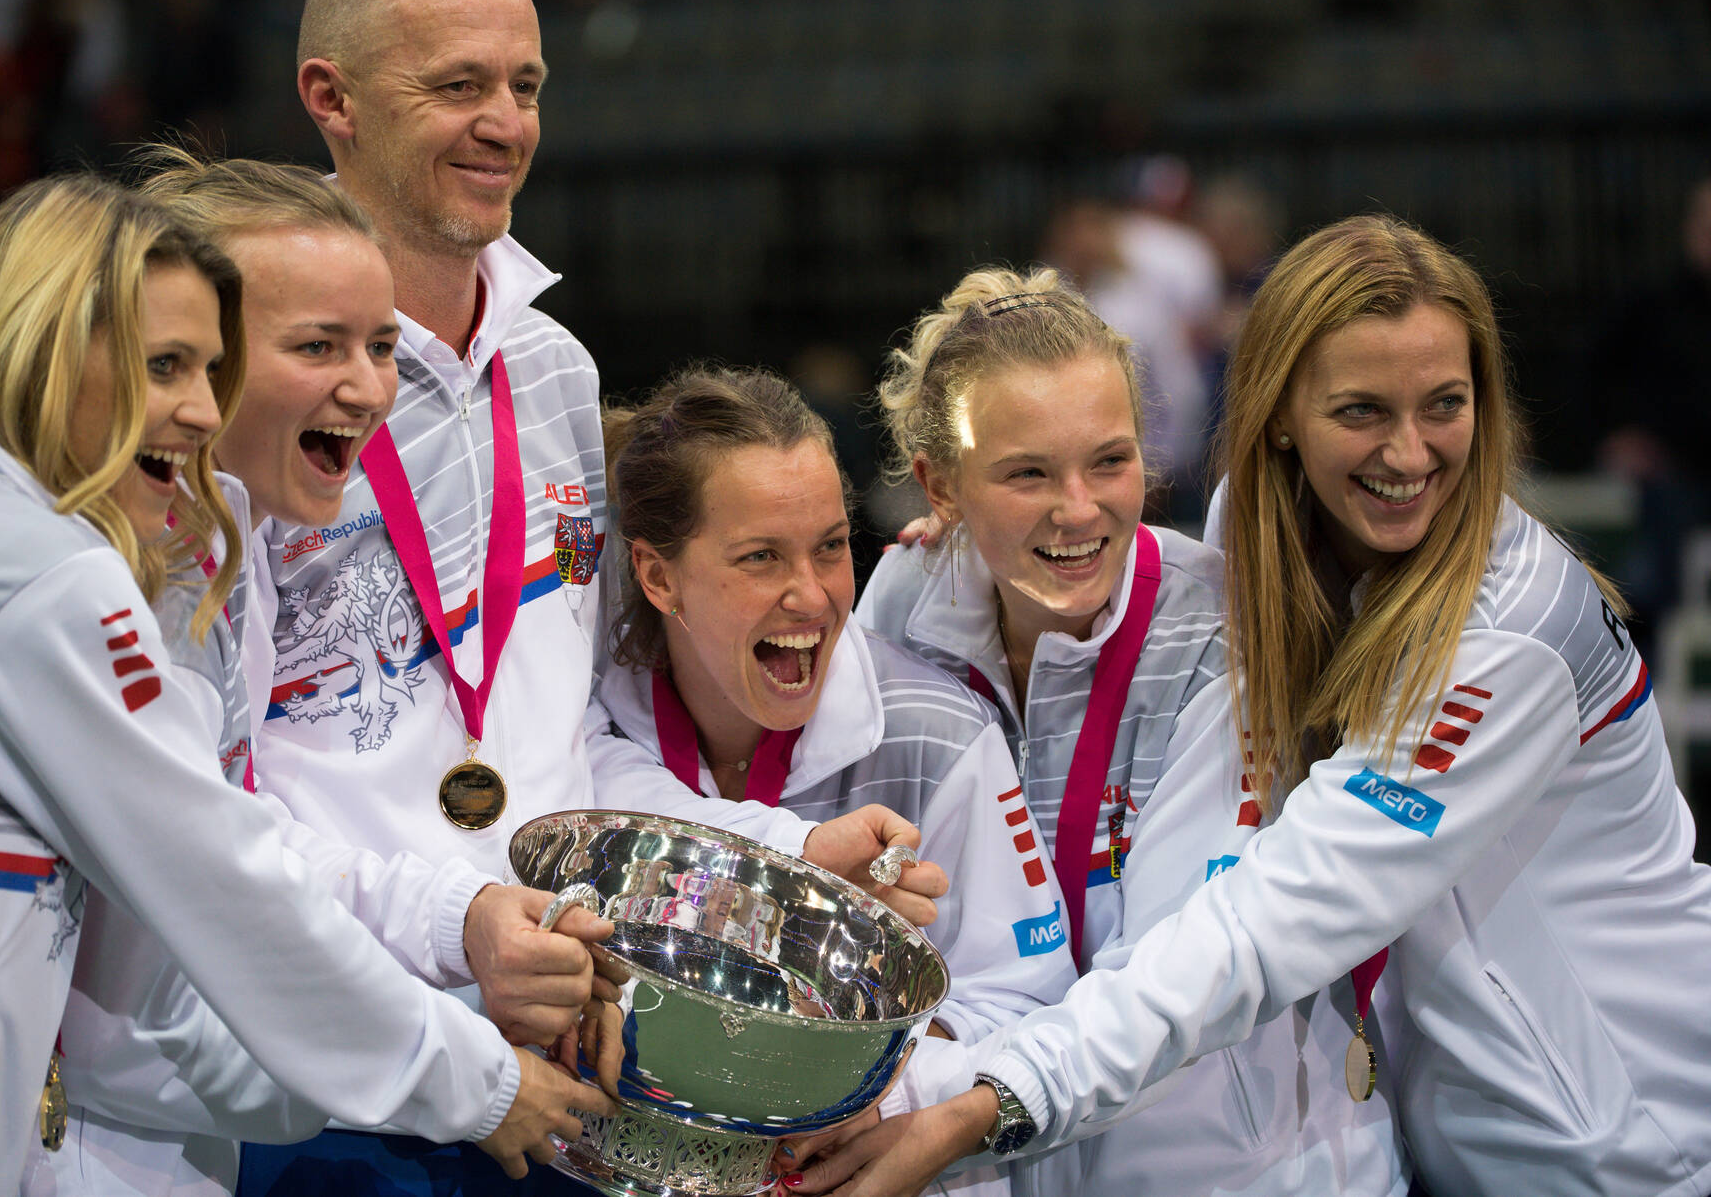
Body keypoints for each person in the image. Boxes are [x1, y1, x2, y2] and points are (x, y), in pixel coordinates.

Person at [798, 217, 1711, 1197]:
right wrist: (988, 522)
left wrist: (981, 1100)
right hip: (1452, 1123)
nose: (1408, 452)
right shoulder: (1266, 531)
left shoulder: (1504, 643)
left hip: (1625, 1142)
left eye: (1446, 403)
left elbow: (1267, 917)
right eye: (1362, 409)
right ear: (1282, 412)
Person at [242, 0, 936, 1194]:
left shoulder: (557, 373)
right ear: (330, 99)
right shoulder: (253, 392)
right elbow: (213, 806)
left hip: (564, 1065)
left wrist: (761, 853)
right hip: (330, 1077)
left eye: (527, 85)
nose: (505, 122)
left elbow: (555, 752)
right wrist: (456, 925)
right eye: (458, 85)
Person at [0, 175, 612, 1197]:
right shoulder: (48, 576)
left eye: (208, 365)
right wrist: (469, 1076)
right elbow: (216, 896)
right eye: (166, 365)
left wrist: (451, 928)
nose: (195, 403)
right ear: (51, 352)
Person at [833, 267, 1404, 1196]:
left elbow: (1178, 976)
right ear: (941, 487)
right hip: (999, 1152)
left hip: (1243, 1171)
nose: (1079, 508)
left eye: (1110, 459)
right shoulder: (902, 602)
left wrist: (927, 1095)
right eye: (1026, 472)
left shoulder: (1222, 629)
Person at [585, 365, 1076, 1195]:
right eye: (759, 557)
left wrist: (877, 1087)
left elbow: (1035, 1003)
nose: (810, 595)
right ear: (658, 575)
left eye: (831, 546)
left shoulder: (937, 733)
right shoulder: (590, 715)